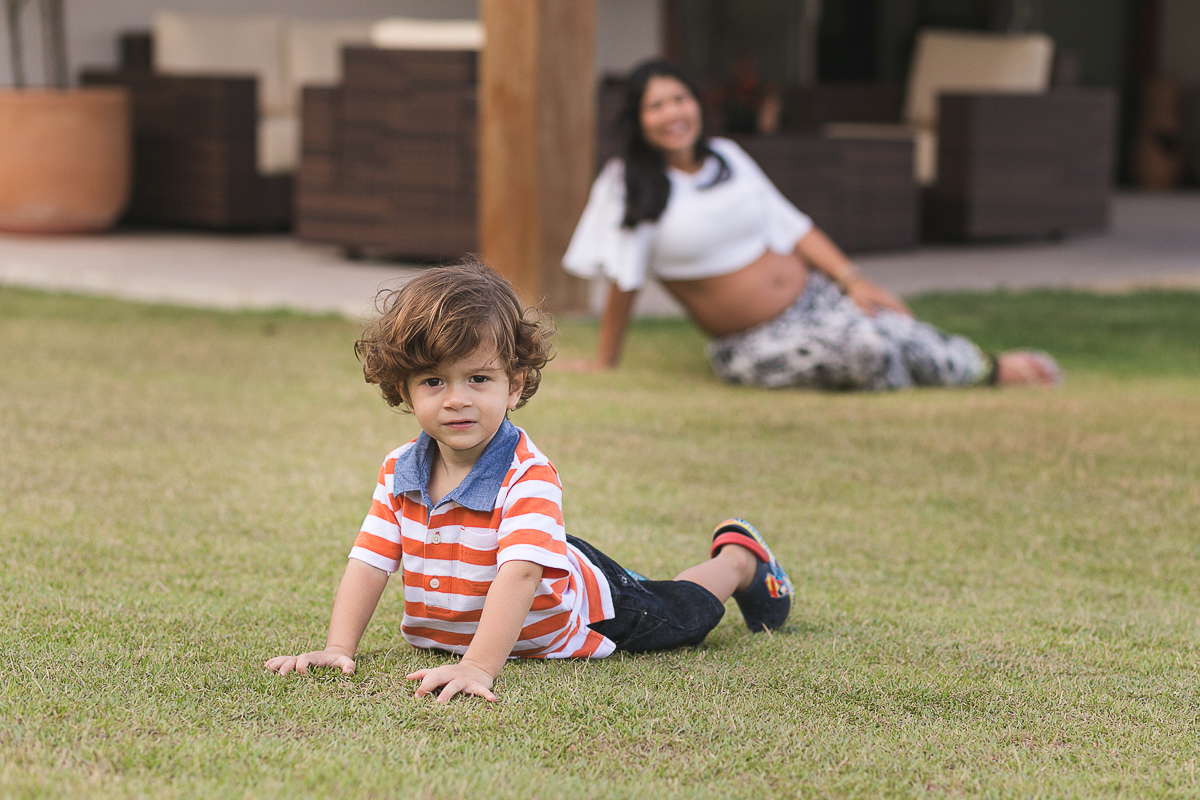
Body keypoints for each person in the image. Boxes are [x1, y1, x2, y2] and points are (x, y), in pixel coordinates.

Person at [264, 261, 794, 703]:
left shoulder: (527, 474)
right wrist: (339, 648)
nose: (456, 398)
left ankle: (737, 560)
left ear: (513, 385)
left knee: (682, 611)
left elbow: (519, 576)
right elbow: (370, 559)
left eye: (479, 378)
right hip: (545, 557)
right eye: (433, 381)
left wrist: (477, 667)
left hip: (589, 607)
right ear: (403, 393)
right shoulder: (398, 470)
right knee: (644, 583)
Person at [562, 59, 1062, 390]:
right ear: (638, 119)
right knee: (866, 346)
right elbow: (624, 277)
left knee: (892, 322)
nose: (673, 113)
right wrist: (607, 359)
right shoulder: (628, 183)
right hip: (752, 342)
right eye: (657, 105)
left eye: (680, 99)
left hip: (814, 298)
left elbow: (793, 227)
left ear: (697, 104)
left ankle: (990, 369)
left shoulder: (728, 158)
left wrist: (853, 280)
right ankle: (955, 371)